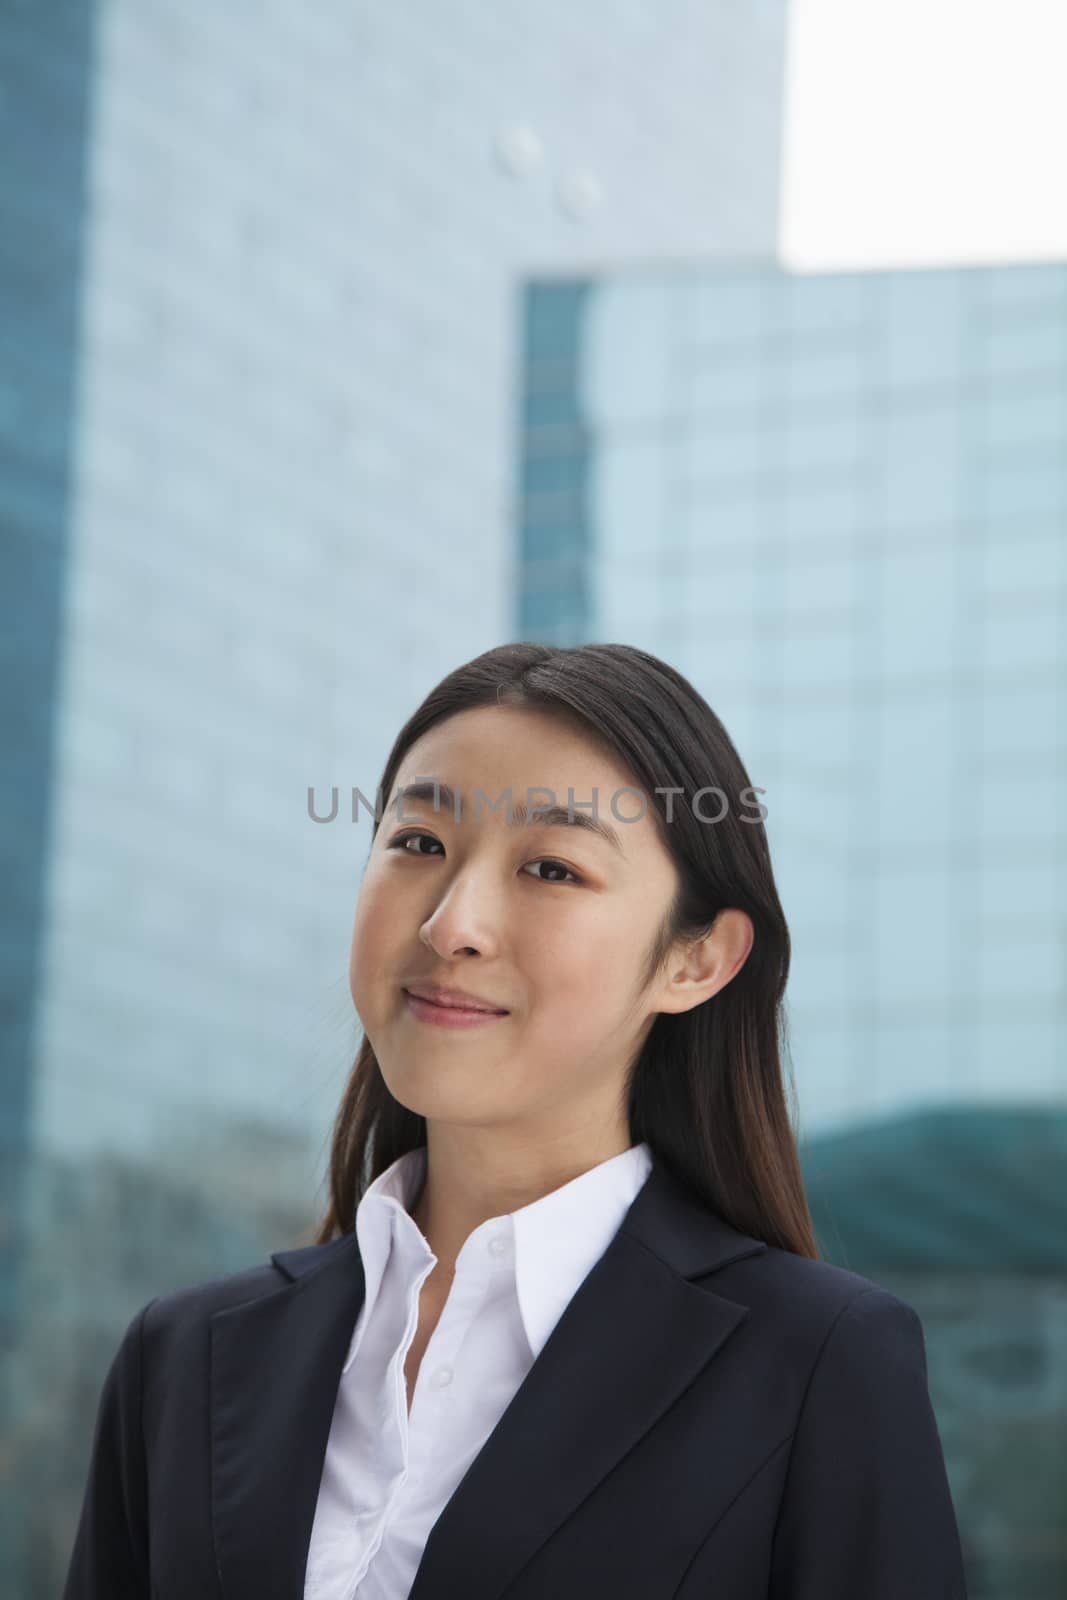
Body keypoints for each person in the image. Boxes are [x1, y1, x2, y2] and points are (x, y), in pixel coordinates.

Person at [63, 640, 969, 1599]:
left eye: (550, 867)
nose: (452, 923)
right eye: (417, 845)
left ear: (694, 960)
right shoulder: (186, 1354)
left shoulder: (817, 1362)